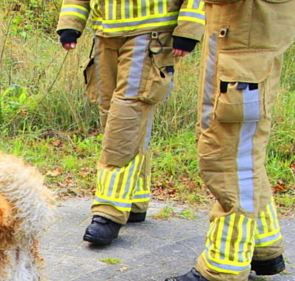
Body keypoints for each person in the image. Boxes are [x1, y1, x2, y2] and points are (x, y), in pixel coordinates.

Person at [161, 0, 295, 281]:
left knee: (228, 160)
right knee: (241, 154)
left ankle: (223, 270)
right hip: (238, 53)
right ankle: (262, 246)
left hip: (243, 61)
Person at [57, 0, 205, 246]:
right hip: (105, 35)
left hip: (150, 34)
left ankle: (109, 211)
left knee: (126, 119)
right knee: (113, 116)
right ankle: (135, 198)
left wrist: (188, 30)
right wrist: (71, 23)